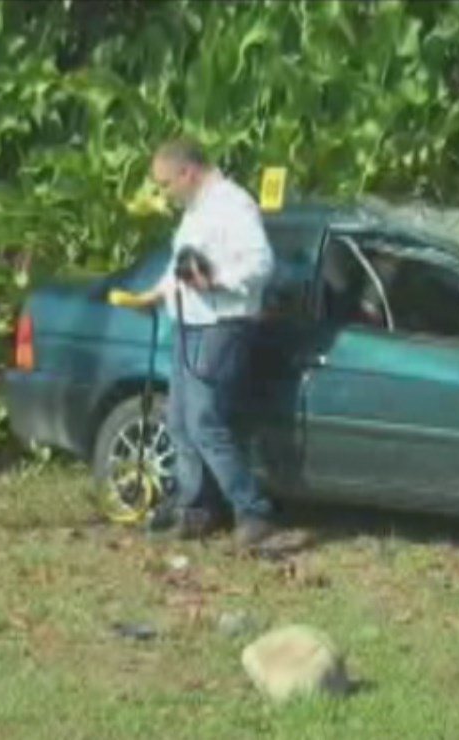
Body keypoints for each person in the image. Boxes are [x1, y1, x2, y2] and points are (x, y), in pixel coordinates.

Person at [119, 137, 278, 548]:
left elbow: (261, 263)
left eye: (166, 184)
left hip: (223, 325)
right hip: (189, 324)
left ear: (188, 172)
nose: (164, 194)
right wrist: (154, 296)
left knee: (206, 422)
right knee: (180, 422)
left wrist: (217, 280)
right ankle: (198, 509)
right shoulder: (194, 212)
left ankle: (252, 510)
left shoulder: (233, 205)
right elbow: (181, 268)